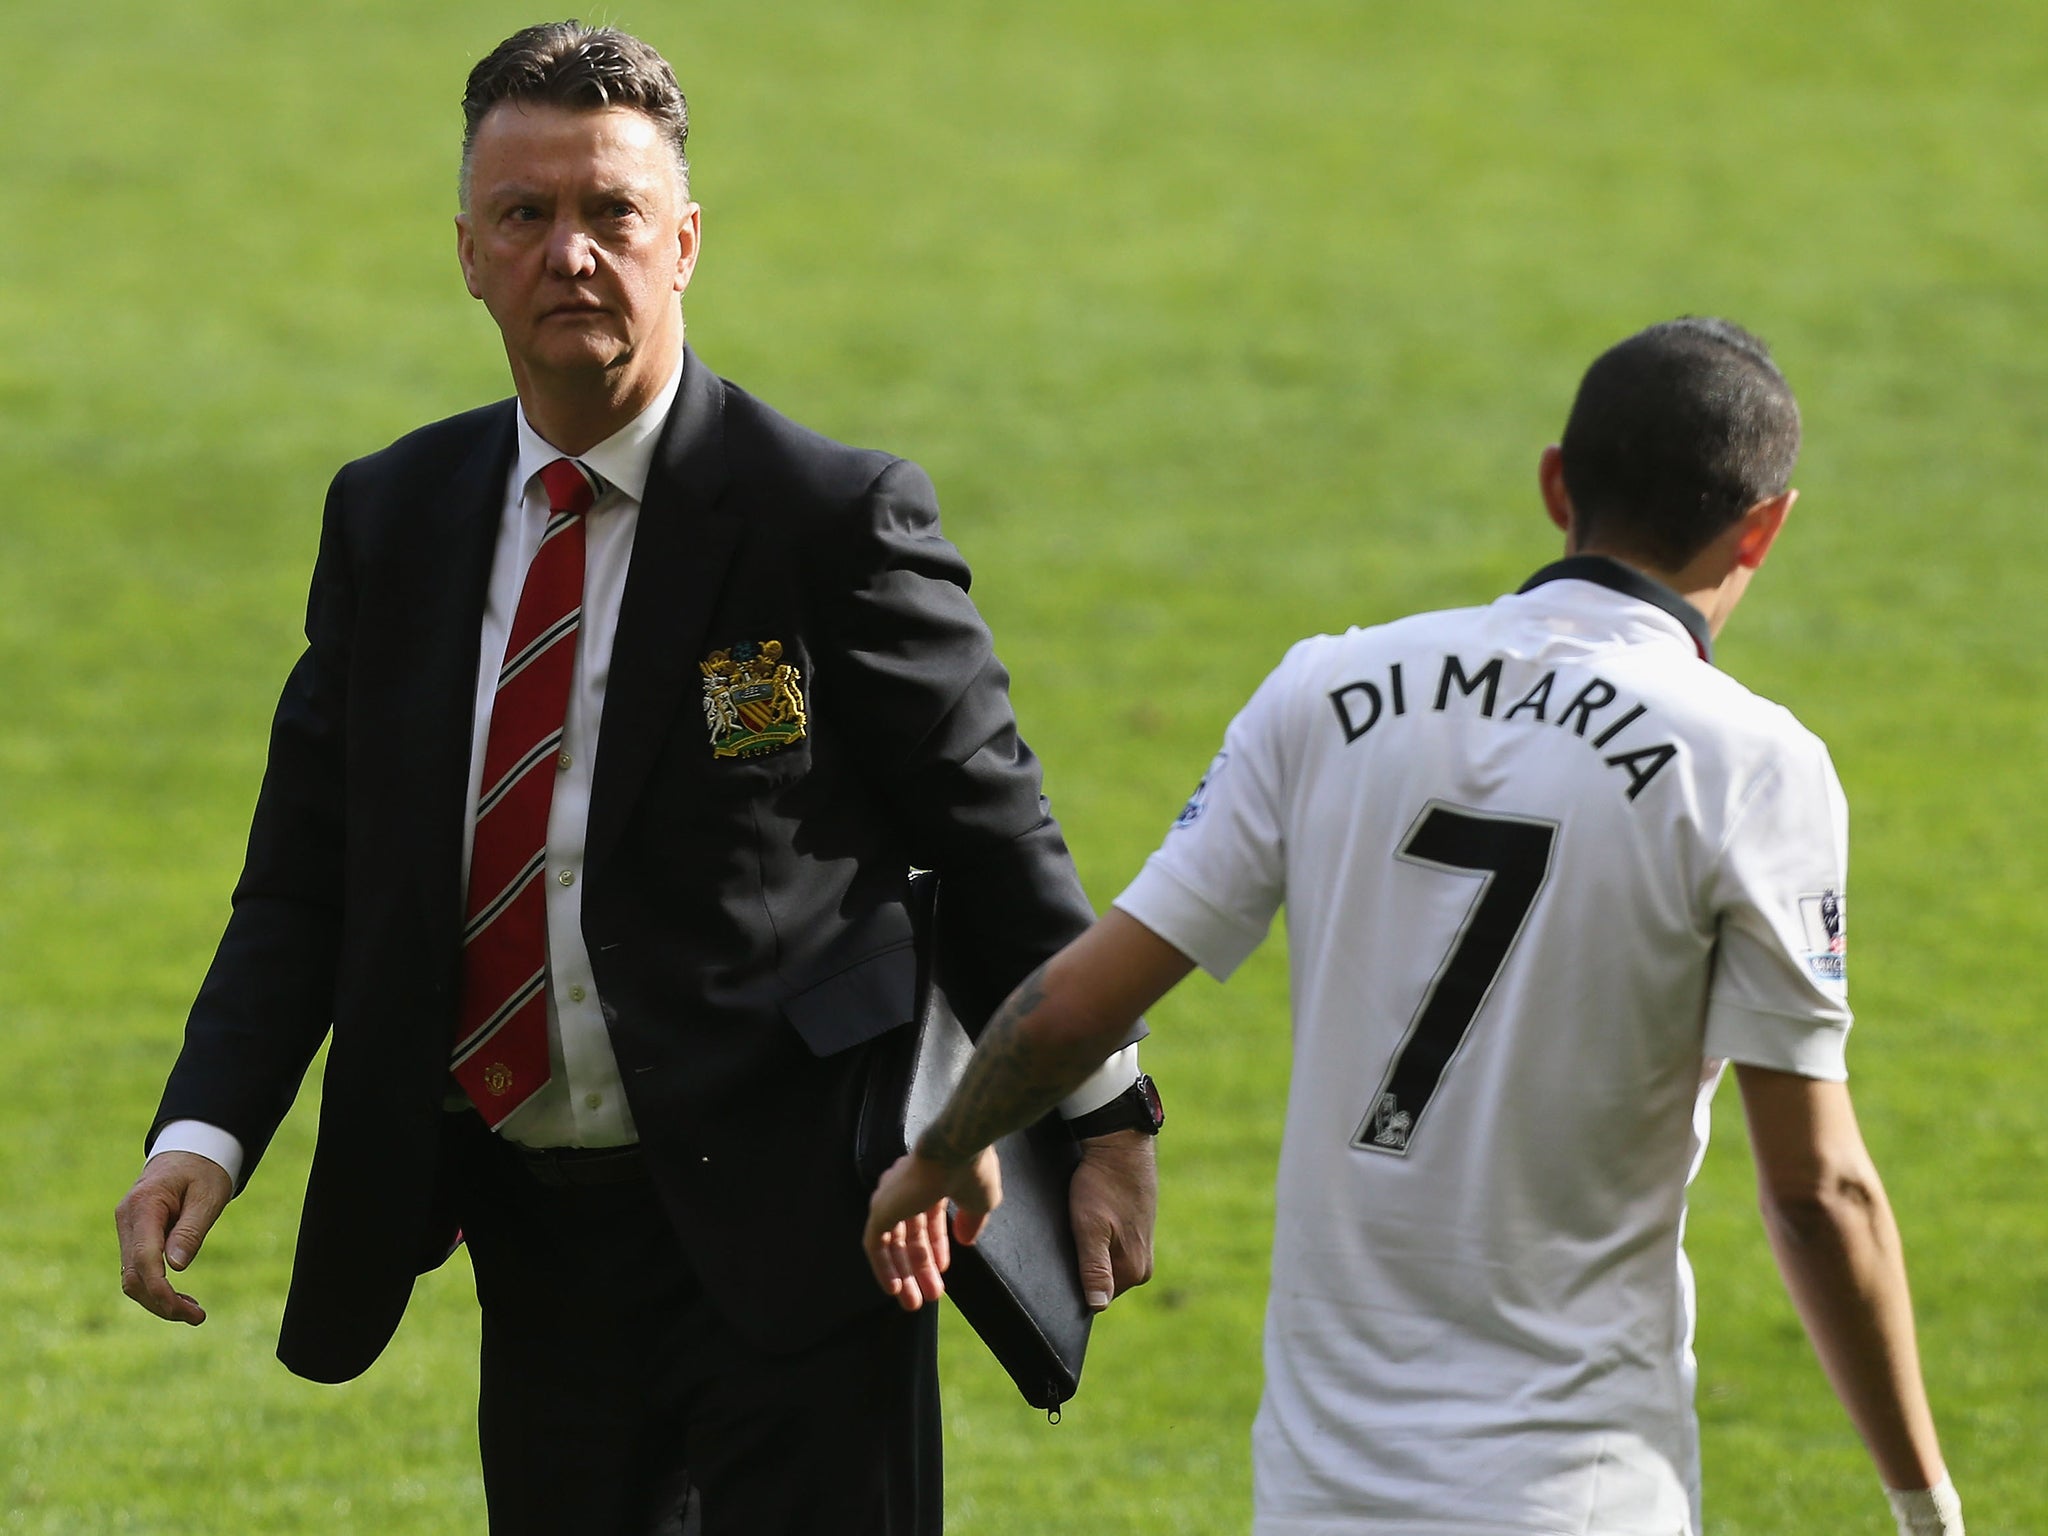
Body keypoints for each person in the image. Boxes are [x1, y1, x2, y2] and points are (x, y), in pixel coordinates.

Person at [112, 21, 1160, 1536]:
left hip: (816, 1223)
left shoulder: (828, 515)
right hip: (534, 1231)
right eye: (526, 215)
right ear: (468, 252)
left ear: (683, 242)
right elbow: (309, 870)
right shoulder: (392, 520)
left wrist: (1105, 1120)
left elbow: (991, 830)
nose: (571, 253)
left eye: (610, 212)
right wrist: (203, 1132)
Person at [865, 320, 1966, 1535]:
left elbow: (1076, 1001)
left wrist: (942, 1149)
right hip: (1576, 1495)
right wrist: (1924, 1505)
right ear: (1763, 526)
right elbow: (1816, 1194)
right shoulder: (1752, 768)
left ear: (1556, 483)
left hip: (1317, 1489)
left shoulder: (1326, 690)